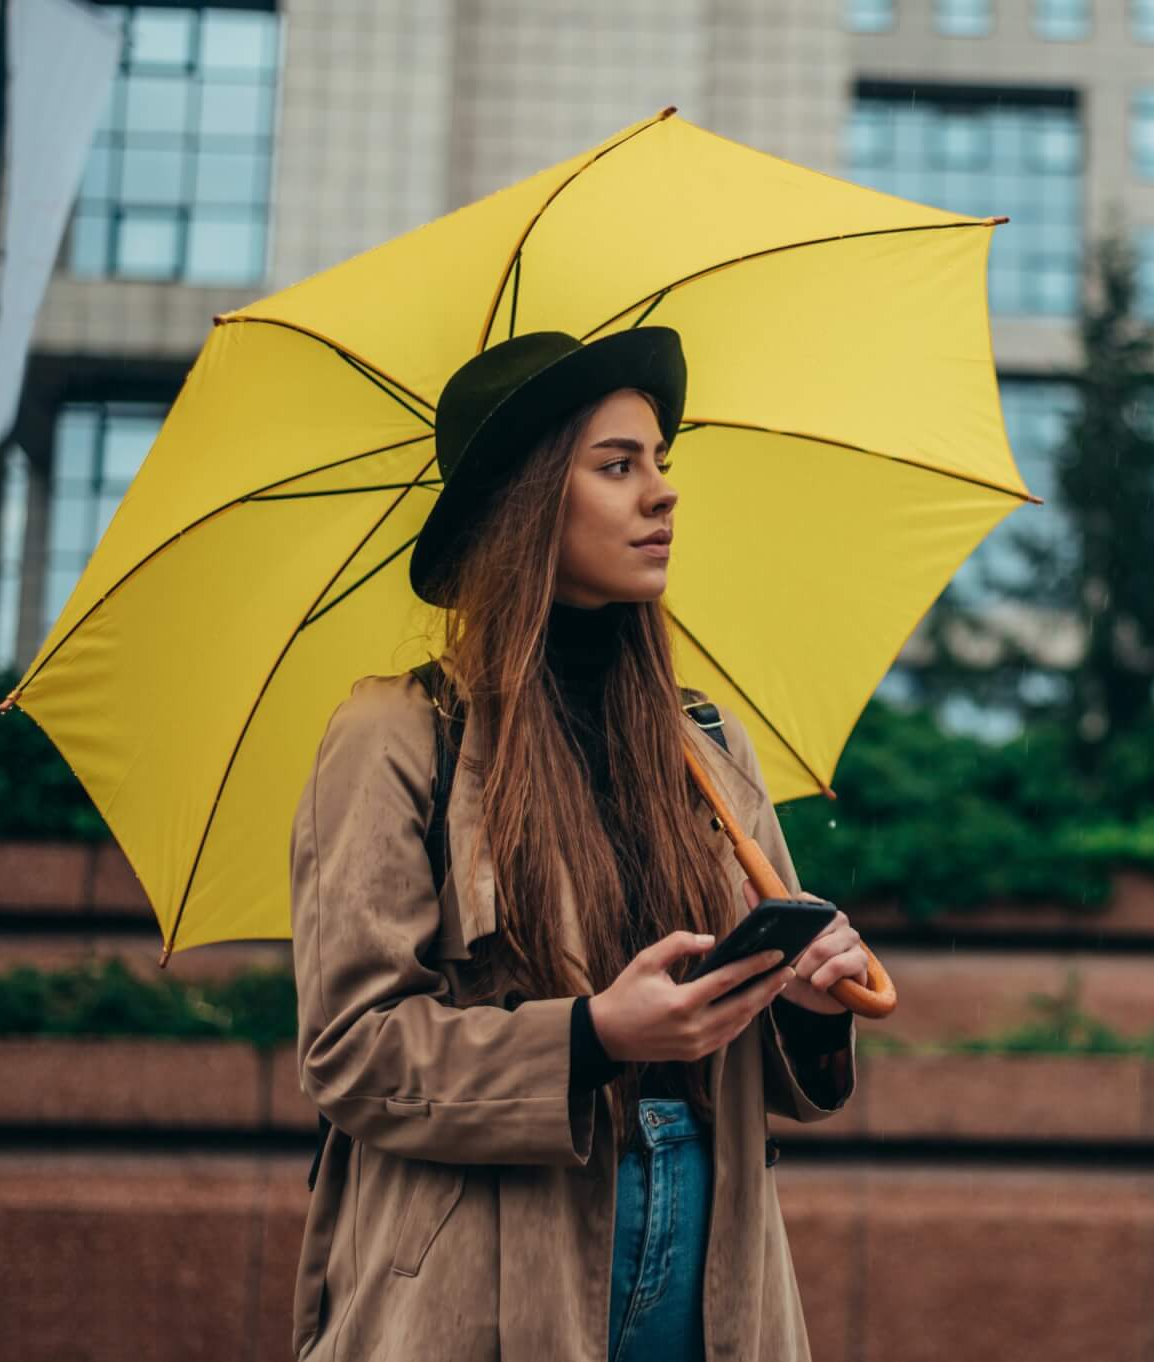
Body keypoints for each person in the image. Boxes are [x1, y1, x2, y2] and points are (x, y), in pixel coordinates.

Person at [287, 327, 872, 1362]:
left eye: (660, 463)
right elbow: (355, 1054)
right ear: (523, 504)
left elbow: (780, 1084)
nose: (661, 493)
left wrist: (810, 1006)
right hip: (492, 1270)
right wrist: (594, 1035)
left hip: (713, 1261)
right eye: (616, 466)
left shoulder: (705, 745)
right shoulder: (398, 736)